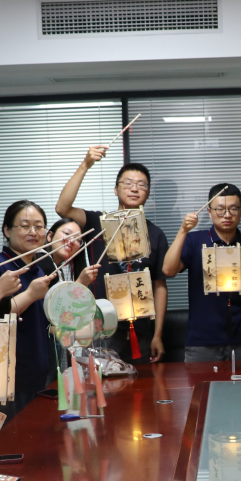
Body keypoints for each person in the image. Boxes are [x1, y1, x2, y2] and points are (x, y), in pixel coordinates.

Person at [55, 151, 169, 363]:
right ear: (115, 189)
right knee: (102, 382)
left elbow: (159, 285)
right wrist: (86, 164)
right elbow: (62, 208)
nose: (134, 188)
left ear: (148, 193)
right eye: (128, 183)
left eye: (141, 185)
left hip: (141, 331)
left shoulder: (155, 234)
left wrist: (157, 334)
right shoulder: (97, 222)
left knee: (143, 383)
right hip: (101, 328)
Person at [163, 183, 241, 362]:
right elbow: (168, 270)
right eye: (220, 209)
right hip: (201, 342)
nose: (227, 215)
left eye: (233, 209)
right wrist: (183, 231)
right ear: (209, 212)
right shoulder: (195, 240)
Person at [0, 200, 58, 414]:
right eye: (25, 226)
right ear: (7, 230)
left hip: (39, 376)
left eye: (39, 226)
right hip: (10, 382)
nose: (33, 232)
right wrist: (30, 295)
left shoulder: (39, 268)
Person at [43, 219, 100, 287]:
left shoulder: (58, 271)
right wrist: (80, 283)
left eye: (78, 239)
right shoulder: (40, 261)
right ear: (50, 236)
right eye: (67, 233)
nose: (72, 241)